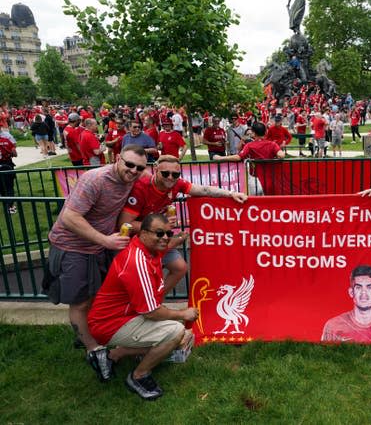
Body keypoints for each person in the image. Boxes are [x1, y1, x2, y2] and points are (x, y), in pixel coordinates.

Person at [45, 144, 148, 375]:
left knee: (97, 297)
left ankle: (87, 336)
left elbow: (165, 181)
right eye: (129, 164)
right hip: (72, 246)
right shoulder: (95, 179)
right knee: (80, 302)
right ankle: (93, 349)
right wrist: (104, 240)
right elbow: (70, 216)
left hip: (99, 246)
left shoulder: (134, 178)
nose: (133, 171)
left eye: (139, 168)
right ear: (117, 158)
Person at [87, 213, 199, 400]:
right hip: (110, 324)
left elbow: (168, 245)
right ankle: (138, 376)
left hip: (124, 316)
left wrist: (180, 237)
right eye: (159, 233)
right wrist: (183, 313)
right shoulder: (137, 262)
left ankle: (113, 355)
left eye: (168, 233)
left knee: (175, 337)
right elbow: (151, 312)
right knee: (175, 332)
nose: (164, 238)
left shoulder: (151, 249)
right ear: (143, 233)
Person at [117, 154, 247, 291]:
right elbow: (125, 224)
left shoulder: (176, 184)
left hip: (158, 237)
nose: (170, 177)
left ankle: (155, 302)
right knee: (141, 277)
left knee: (180, 268)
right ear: (156, 169)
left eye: (175, 174)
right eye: (165, 173)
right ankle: (143, 305)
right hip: (136, 241)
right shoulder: (141, 188)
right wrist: (160, 225)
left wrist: (231, 193)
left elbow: (204, 190)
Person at [321, 265, 371, 343]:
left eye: (369, 287)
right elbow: (325, 354)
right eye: (358, 287)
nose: (363, 292)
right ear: (351, 292)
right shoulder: (333, 326)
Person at [0, 128, 17, 214]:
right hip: (7, 164)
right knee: (9, 187)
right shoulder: (6, 140)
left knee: (2, 187)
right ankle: (10, 207)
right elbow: (14, 152)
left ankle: (6, 204)